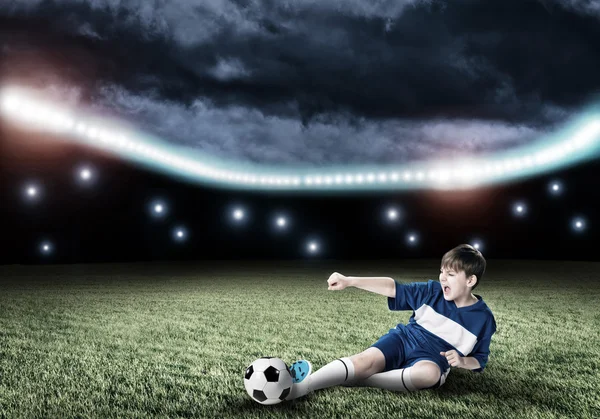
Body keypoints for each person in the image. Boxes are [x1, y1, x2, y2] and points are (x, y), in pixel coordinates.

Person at [286, 243, 496, 400]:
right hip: (404, 339)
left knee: (430, 375)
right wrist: (349, 281)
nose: (442, 278)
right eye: (441, 271)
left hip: (433, 357)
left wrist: (461, 361)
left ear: (470, 280)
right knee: (363, 361)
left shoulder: (483, 319)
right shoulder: (432, 291)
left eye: (450, 274)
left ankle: (364, 380)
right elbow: (393, 287)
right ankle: (303, 386)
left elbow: (480, 359)